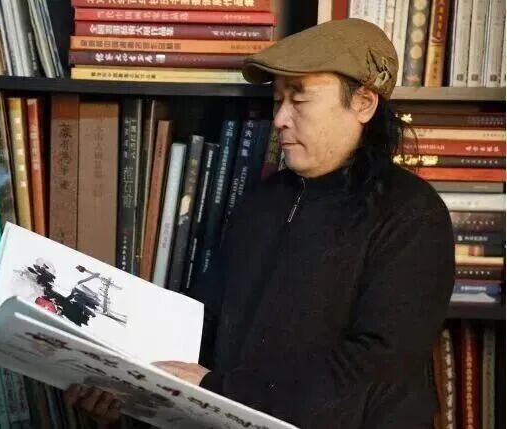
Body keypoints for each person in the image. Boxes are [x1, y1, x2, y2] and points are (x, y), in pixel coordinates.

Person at [64, 18, 455, 429]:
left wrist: (218, 389)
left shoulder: (413, 215)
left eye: (299, 99)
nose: (281, 118)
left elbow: (375, 371)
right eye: (277, 100)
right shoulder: (262, 201)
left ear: (363, 103)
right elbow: (202, 325)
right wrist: (127, 387)